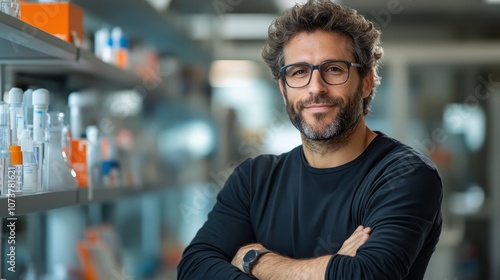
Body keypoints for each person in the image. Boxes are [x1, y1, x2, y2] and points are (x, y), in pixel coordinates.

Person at [177, 0, 443, 279]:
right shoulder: (254, 180)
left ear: (365, 82)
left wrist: (255, 261)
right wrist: (336, 267)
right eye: (299, 72)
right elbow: (194, 268)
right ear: (283, 89)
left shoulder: (405, 176)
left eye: (334, 69)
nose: (315, 88)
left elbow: (367, 275)